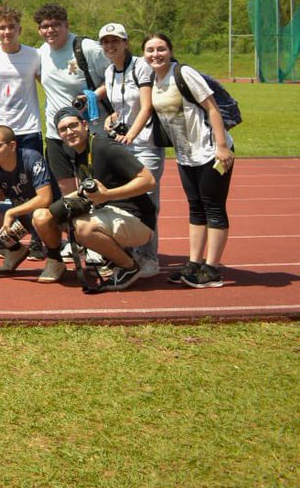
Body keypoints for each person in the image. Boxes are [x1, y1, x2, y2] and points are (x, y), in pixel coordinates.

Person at [143, 33, 236, 289]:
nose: (155, 54)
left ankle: (213, 269)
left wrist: (221, 146)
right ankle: (194, 263)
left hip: (209, 151)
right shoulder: (154, 79)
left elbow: (212, 108)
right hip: (186, 155)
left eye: (161, 49)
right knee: (195, 208)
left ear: (170, 51)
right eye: (150, 50)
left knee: (213, 207)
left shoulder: (184, 73)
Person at [30, 109, 158, 291]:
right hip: (109, 212)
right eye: (63, 129)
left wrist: (108, 195)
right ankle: (61, 260)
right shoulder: (79, 152)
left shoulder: (104, 147)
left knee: (82, 227)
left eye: (73, 125)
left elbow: (148, 180)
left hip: (136, 218)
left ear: (84, 124)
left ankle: (128, 267)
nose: (69, 132)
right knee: (45, 215)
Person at [97, 22, 164, 278]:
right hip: (124, 143)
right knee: (125, 203)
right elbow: (122, 105)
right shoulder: (109, 72)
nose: (111, 46)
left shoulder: (141, 67)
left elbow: (146, 106)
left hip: (145, 143)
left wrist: (131, 135)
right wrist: (111, 117)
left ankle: (149, 258)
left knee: (148, 200)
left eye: (116, 41)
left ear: (126, 42)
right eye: (106, 42)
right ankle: (129, 256)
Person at [0, 125, 59, 280]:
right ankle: (15, 250)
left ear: (12, 146)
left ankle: (55, 259)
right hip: (23, 217)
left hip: (50, 217)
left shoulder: (32, 158)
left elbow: (45, 198)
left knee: (40, 216)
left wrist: (11, 212)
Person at [34, 3, 109, 196]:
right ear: (39, 30)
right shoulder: (40, 52)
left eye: (56, 25)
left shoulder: (88, 48)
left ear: (67, 25)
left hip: (89, 131)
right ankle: (72, 227)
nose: (50, 30)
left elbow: (115, 79)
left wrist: (92, 96)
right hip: (56, 133)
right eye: (45, 26)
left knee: (94, 188)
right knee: (66, 192)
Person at [0, 7, 43, 154]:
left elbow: (48, 83)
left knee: (32, 173)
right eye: (2, 28)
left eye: (12, 27)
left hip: (29, 127)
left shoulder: (34, 55)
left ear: (20, 29)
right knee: (3, 175)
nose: (7, 31)